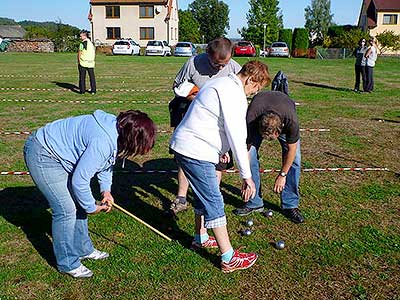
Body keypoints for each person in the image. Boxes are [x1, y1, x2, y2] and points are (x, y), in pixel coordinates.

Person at [24, 110, 156, 278]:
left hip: (59, 154)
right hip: (43, 153)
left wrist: (105, 191)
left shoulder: (117, 130)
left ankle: (83, 249)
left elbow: (107, 162)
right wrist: (90, 207)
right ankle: (68, 263)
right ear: (132, 137)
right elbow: (80, 181)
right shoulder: (103, 140)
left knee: (77, 203)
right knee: (66, 211)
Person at [170, 61, 271, 273]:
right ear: (251, 79)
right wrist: (247, 176)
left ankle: (200, 237)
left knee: (201, 195)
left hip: (186, 145)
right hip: (195, 150)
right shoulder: (234, 94)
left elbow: (212, 119)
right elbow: (237, 135)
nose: (254, 93)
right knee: (214, 199)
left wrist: (221, 148)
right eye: (256, 88)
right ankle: (228, 258)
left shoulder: (221, 83)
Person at [168, 37, 242, 215]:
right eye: (217, 64)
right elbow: (177, 86)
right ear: (208, 53)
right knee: (187, 156)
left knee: (219, 159)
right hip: (192, 117)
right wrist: (194, 97)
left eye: (224, 64)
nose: (221, 68)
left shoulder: (234, 67)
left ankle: (211, 195)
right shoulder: (193, 63)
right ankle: (181, 197)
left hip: (220, 121)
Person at [233, 91, 305, 224]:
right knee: (251, 156)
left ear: (279, 132)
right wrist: (246, 178)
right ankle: (254, 202)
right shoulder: (251, 119)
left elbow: (292, 150)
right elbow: (245, 151)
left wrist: (282, 175)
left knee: (295, 160)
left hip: (284, 108)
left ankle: (290, 205)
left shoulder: (291, 122)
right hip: (258, 114)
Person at [78, 30, 96, 94]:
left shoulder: (82, 43)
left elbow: (79, 53)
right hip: (91, 63)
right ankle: (93, 90)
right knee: (92, 77)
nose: (80, 37)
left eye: (81, 36)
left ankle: (82, 91)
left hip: (83, 62)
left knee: (82, 77)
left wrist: (78, 61)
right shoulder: (91, 44)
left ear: (84, 36)